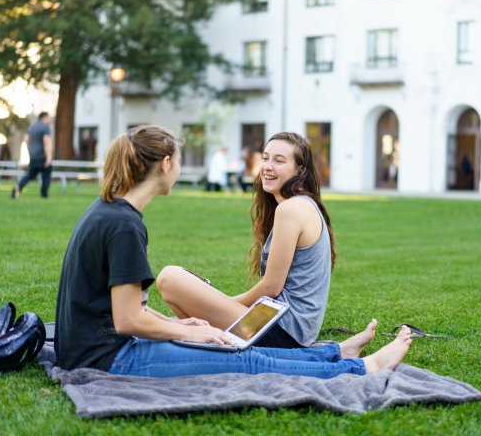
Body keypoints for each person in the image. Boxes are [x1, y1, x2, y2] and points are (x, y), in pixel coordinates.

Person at [54, 125, 412, 378]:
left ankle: (338, 356)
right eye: (178, 161)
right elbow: (129, 319)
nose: (268, 167)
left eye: (279, 160)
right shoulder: (124, 224)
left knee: (235, 352)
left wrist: (182, 324)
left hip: (101, 350)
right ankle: (363, 367)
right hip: (109, 357)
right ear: (165, 165)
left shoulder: (110, 212)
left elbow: (129, 315)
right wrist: (186, 332)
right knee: (243, 361)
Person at [156, 133, 335, 349]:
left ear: (300, 170)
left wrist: (226, 303)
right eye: (266, 158)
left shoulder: (292, 209)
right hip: (280, 324)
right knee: (190, 310)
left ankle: (222, 344)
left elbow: (271, 287)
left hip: (283, 331)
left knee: (170, 278)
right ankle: (212, 342)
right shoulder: (298, 205)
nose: (268, 166)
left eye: (279, 161)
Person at [12, 112, 53, 199]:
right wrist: (49, 158)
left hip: (33, 157)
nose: (50, 120)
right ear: (44, 118)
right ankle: (44, 195)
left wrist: (31, 151)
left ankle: (17, 188)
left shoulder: (31, 127)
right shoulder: (45, 127)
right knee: (46, 175)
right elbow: (47, 142)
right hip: (42, 156)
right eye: (49, 118)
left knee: (29, 175)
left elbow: (26, 140)